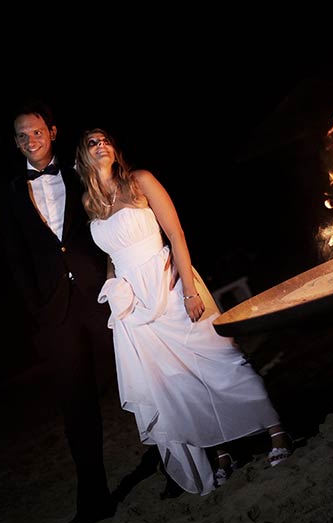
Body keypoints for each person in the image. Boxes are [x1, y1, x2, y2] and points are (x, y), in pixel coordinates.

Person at [74, 127, 294, 496]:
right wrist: (114, 291)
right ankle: (221, 454)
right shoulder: (89, 202)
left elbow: (175, 234)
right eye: (92, 143)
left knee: (219, 360)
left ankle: (276, 430)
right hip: (135, 306)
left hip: (170, 285)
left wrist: (190, 291)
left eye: (105, 139)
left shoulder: (140, 181)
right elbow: (112, 257)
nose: (101, 145)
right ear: (82, 156)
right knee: (176, 382)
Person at [0, 101, 119, 523]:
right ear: (16, 142)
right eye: (22, 136)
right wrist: (38, 309)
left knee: (139, 375)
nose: (31, 140)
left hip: (99, 295)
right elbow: (15, 258)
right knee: (76, 407)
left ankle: (177, 463)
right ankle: (94, 502)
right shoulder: (11, 192)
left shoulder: (75, 171)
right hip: (56, 312)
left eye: (36, 132)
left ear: (52, 131)